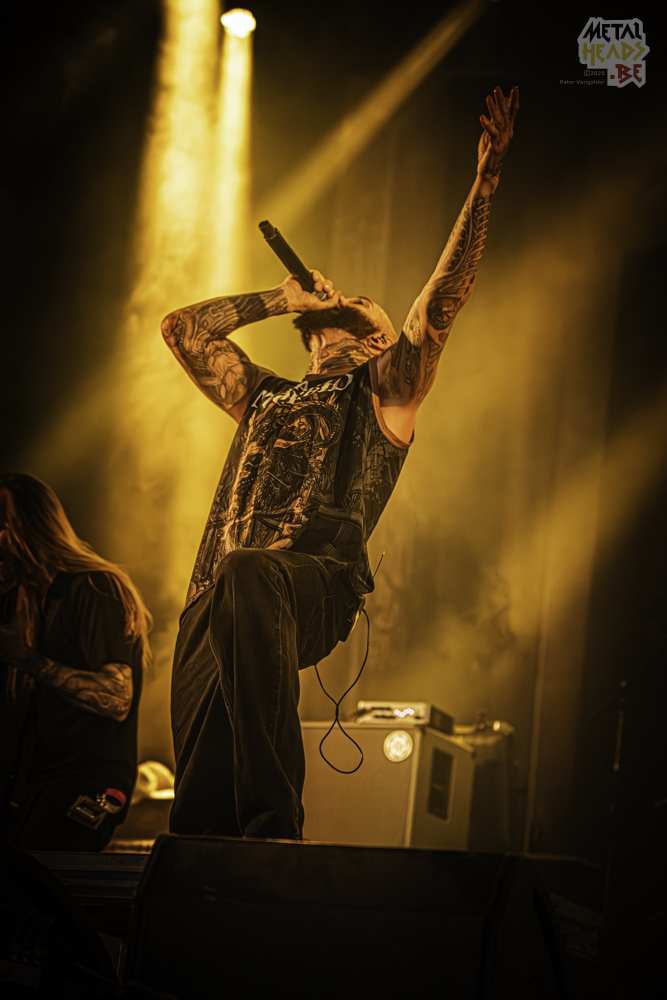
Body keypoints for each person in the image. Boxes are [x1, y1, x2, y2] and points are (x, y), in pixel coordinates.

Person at [163, 86, 519, 840]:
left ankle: (275, 827)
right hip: (214, 599)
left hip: (309, 583)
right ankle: (209, 870)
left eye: (370, 304)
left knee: (250, 571)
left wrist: (482, 188)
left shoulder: (382, 390)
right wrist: (278, 298)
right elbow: (181, 329)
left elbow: (440, 303)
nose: (355, 299)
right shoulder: (264, 395)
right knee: (196, 799)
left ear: (384, 338)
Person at [0, 473, 152, 851]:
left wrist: (28, 660)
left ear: (27, 526)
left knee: (40, 874)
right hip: (33, 785)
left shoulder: (95, 587)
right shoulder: (26, 600)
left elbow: (117, 698)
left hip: (89, 785)